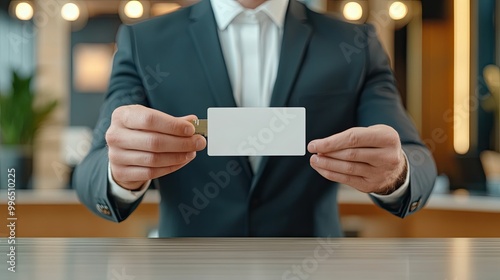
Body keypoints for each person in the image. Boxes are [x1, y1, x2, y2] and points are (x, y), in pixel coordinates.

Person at [73, 0, 437, 237]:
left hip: (314, 265)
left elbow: (416, 157)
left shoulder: (355, 43)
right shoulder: (144, 41)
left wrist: (397, 173)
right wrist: (118, 172)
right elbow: (91, 170)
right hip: (187, 268)